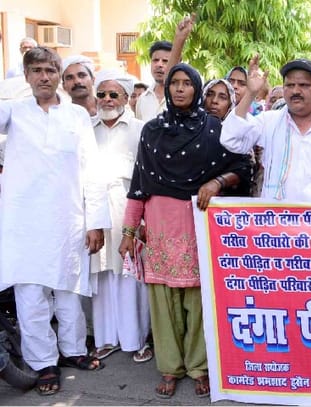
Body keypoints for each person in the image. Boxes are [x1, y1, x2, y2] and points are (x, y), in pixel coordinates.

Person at [119, 63, 252, 399]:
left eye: (186, 83)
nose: (179, 89)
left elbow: (241, 167)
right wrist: (129, 231)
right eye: (174, 83)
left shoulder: (214, 130)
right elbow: (139, 183)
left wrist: (217, 181)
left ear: (196, 89)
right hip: (160, 226)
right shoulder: (152, 130)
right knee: (163, 303)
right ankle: (169, 366)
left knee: (198, 301)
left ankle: (198, 367)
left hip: (197, 225)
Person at [0, 46, 109, 396]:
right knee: (30, 294)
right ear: (27, 76)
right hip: (23, 222)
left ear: (58, 75)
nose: (44, 77)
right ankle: (44, 362)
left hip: (67, 218)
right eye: (36, 71)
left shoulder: (76, 116)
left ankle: (73, 350)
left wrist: (96, 221)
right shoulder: (13, 111)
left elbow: (92, 169)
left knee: (69, 290)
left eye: (50, 70)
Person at [221, 56, 311, 203]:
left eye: (303, 85)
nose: (295, 91)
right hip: (278, 215)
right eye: (289, 85)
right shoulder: (269, 121)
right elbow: (231, 140)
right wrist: (250, 93)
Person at [89, 70, 153, 364]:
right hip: (95, 210)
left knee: (131, 275)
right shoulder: (87, 129)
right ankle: (106, 339)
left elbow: (147, 177)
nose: (107, 99)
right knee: (101, 275)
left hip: (128, 211)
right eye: (101, 94)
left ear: (127, 98)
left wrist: (144, 219)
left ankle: (137, 340)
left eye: (113, 94)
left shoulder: (141, 129)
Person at [135, 40, 172, 122]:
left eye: (165, 61)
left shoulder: (181, 97)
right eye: (155, 60)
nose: (159, 65)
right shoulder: (142, 99)